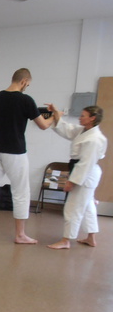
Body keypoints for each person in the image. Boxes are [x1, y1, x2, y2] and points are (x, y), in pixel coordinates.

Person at [0, 68, 55, 243]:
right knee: (21, 192)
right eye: (28, 84)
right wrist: (55, 116)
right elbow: (44, 125)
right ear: (23, 81)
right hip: (16, 153)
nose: (27, 87)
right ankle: (20, 234)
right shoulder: (26, 100)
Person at [44, 105, 107, 249]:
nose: (80, 117)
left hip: (85, 174)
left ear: (92, 118)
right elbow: (67, 129)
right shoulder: (84, 131)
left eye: (83, 115)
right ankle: (91, 238)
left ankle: (66, 240)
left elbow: (86, 163)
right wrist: (55, 113)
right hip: (85, 172)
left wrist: (72, 181)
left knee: (73, 207)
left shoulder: (94, 139)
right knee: (88, 206)